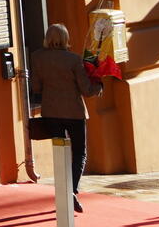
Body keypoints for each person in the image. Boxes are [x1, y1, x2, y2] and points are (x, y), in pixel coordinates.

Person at [28, 22, 103, 213]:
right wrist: (99, 86)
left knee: (59, 153)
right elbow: (86, 89)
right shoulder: (73, 59)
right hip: (74, 113)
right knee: (79, 153)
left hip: (51, 112)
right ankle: (72, 190)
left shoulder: (37, 57)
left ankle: (64, 191)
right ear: (65, 39)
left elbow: (36, 87)